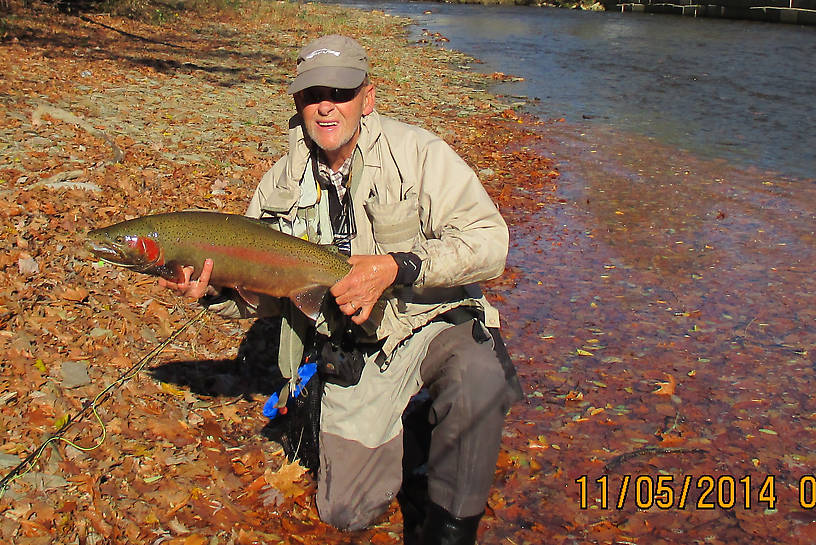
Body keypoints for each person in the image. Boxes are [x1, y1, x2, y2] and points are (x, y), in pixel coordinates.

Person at [160, 34, 521, 545]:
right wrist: (216, 290)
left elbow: (491, 242)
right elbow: (261, 297)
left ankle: (450, 526)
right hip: (359, 347)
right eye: (312, 94)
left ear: (367, 98)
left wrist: (400, 266)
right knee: (346, 511)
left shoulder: (418, 154)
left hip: (427, 321)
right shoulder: (278, 187)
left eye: (341, 91)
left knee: (478, 376)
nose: (326, 105)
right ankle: (418, 429)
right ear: (297, 103)